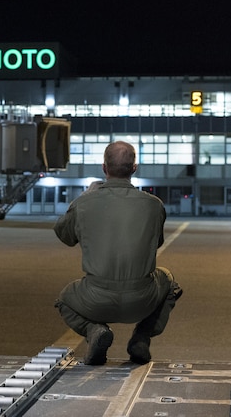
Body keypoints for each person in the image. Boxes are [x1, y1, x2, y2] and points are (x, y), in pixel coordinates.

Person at [53, 141, 182, 365]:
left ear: (104, 168)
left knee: (64, 299)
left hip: (95, 299)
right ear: (134, 168)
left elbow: (64, 235)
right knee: (168, 281)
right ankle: (141, 338)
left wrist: (81, 199)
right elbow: (155, 243)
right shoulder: (154, 205)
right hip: (142, 300)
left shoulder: (84, 203)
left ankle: (94, 330)